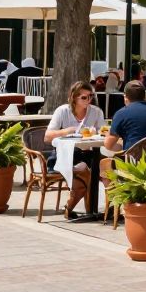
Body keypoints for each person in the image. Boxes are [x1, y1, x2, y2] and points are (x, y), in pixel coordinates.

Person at [44, 81, 106, 219]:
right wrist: (66, 131)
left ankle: (103, 209)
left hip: (89, 154)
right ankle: (74, 208)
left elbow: (104, 132)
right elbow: (47, 137)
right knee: (86, 174)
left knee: (105, 169)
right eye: (84, 97)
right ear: (74, 97)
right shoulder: (62, 111)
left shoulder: (96, 112)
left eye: (90, 96)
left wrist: (99, 132)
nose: (88, 100)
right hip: (64, 155)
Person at [103, 81, 146, 152]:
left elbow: (109, 145)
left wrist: (122, 146)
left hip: (133, 160)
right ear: (144, 96)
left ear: (125, 97)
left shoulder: (121, 113)